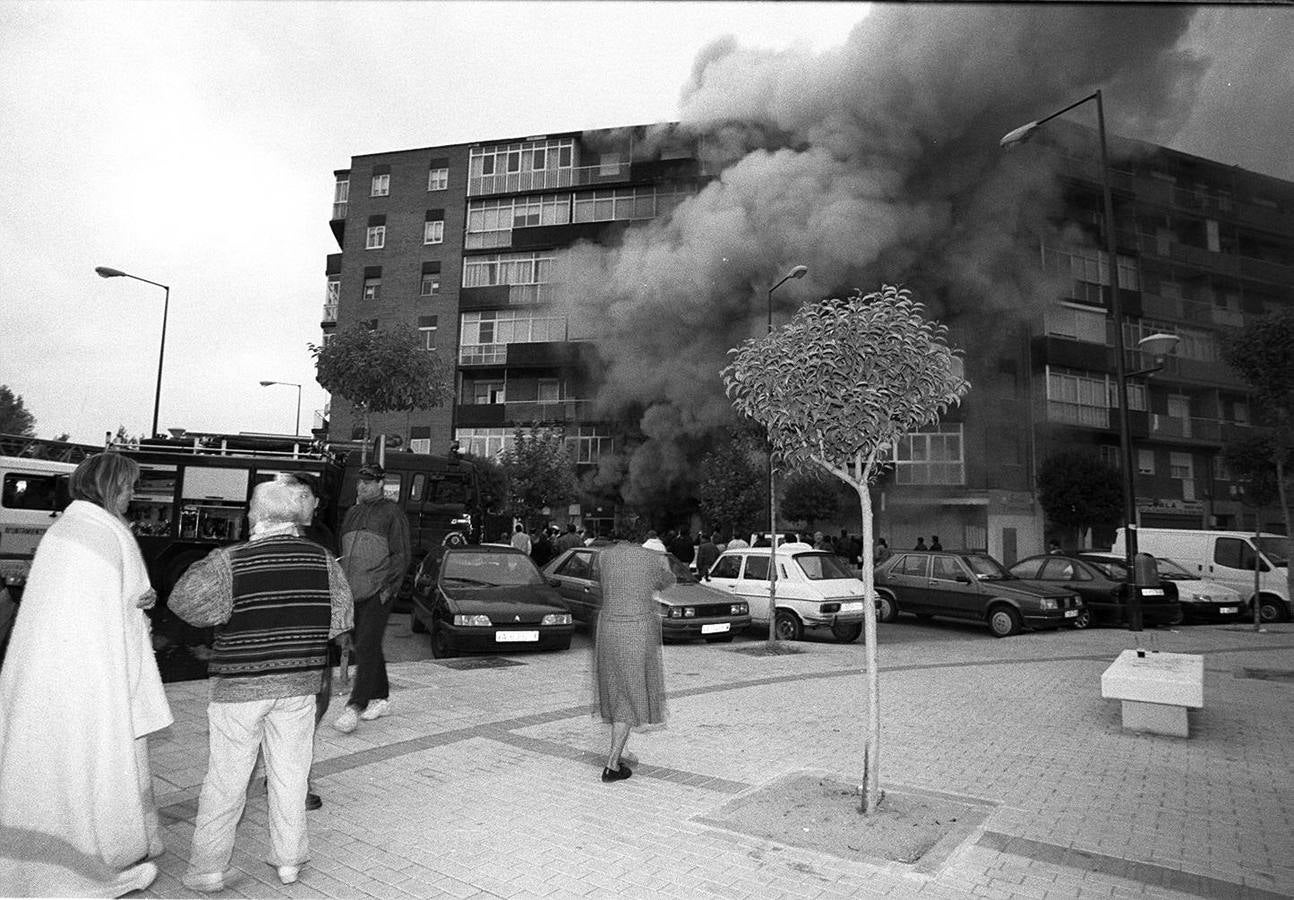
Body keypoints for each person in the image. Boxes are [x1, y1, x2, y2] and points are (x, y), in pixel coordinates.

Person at [169, 478, 354, 891]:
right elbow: (340, 621)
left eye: (251, 509)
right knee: (291, 775)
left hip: (238, 688)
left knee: (226, 780)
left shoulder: (229, 560)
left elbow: (184, 603)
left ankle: (207, 869)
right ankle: (289, 861)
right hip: (299, 686)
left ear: (259, 514)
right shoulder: (324, 560)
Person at [0, 453, 170, 897]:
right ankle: (78, 856)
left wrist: (137, 600)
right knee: (83, 761)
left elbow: (88, 603)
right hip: (86, 678)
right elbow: (116, 606)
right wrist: (141, 602)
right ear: (110, 486)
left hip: (48, 674)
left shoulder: (69, 529)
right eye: (130, 486)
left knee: (46, 764)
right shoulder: (104, 533)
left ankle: (32, 853)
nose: (134, 495)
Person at [333, 464, 410, 735]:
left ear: (380, 484)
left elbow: (400, 555)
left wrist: (388, 590)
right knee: (366, 645)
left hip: (379, 591)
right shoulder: (352, 513)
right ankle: (381, 698)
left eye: (368, 482)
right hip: (354, 590)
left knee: (366, 644)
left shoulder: (392, 513)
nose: (361, 486)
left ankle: (355, 705)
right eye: (359, 482)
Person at [593, 542, 675, 782]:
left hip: (609, 629)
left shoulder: (604, 556)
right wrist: (664, 558)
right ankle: (612, 765)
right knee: (631, 693)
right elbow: (667, 581)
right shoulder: (651, 557)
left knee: (617, 690)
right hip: (636, 631)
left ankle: (622, 751)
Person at [286, 473, 337, 811]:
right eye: (293, 495)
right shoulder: (275, 530)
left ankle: (283, 770)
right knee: (297, 714)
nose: (299, 501)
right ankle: (294, 784)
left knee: (318, 705)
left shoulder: (324, 536)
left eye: (305, 495)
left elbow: (337, 586)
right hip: (287, 639)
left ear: (317, 501)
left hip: (319, 638)